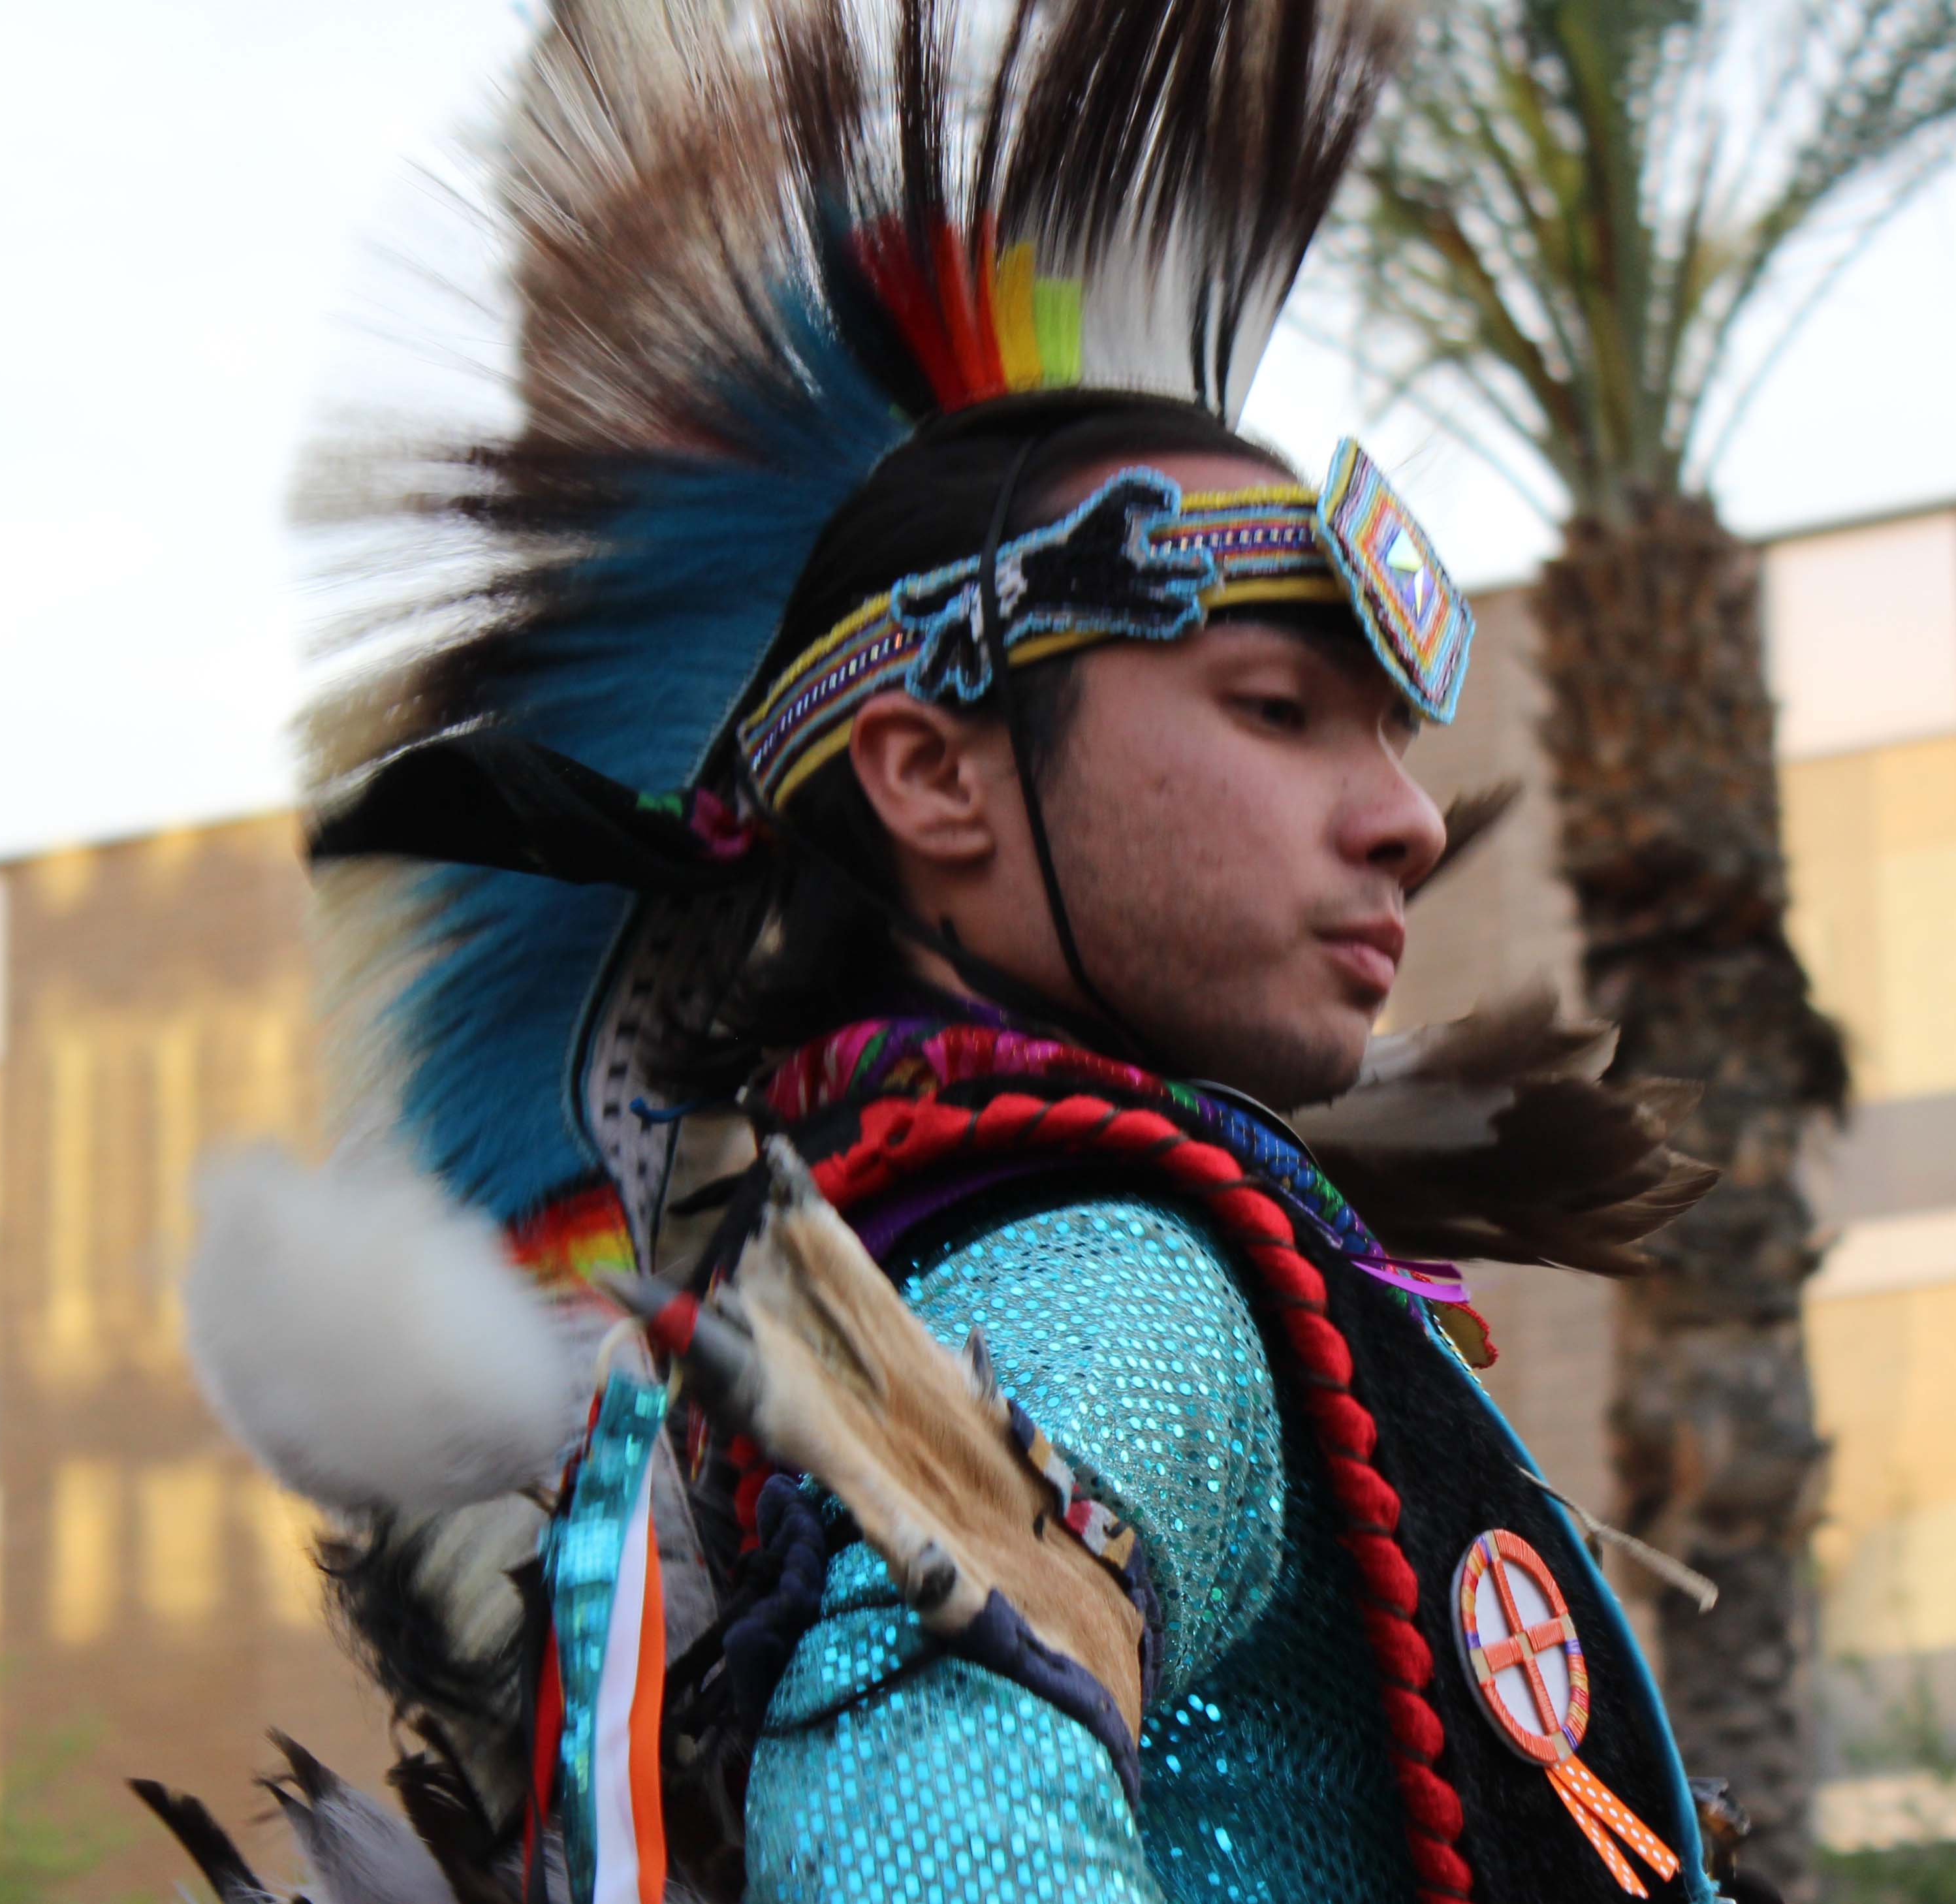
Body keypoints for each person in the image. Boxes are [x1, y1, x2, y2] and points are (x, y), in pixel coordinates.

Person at [138, 0, 1746, 1899]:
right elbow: (928, 1843)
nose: (1402, 812)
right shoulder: (1109, 1289)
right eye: (1276, 709)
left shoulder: (995, 1292)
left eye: (1387, 732)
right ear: (932, 774)